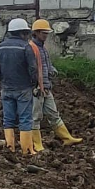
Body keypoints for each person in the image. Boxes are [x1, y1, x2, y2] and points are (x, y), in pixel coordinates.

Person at [29, 19, 83, 152]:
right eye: (44, 33)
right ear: (36, 33)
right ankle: (37, 144)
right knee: (35, 117)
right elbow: (32, 69)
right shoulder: (31, 48)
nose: (46, 36)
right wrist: (36, 85)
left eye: (47, 33)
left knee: (53, 113)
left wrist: (52, 70)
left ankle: (67, 138)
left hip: (46, 87)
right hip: (37, 89)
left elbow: (46, 65)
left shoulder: (42, 48)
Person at [0, 18, 38, 155]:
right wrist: (34, 83)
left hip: (6, 88)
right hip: (23, 88)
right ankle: (26, 150)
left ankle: (10, 148)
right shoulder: (26, 47)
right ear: (22, 33)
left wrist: (3, 80)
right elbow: (33, 68)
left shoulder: (0, 47)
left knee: (8, 119)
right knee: (25, 119)